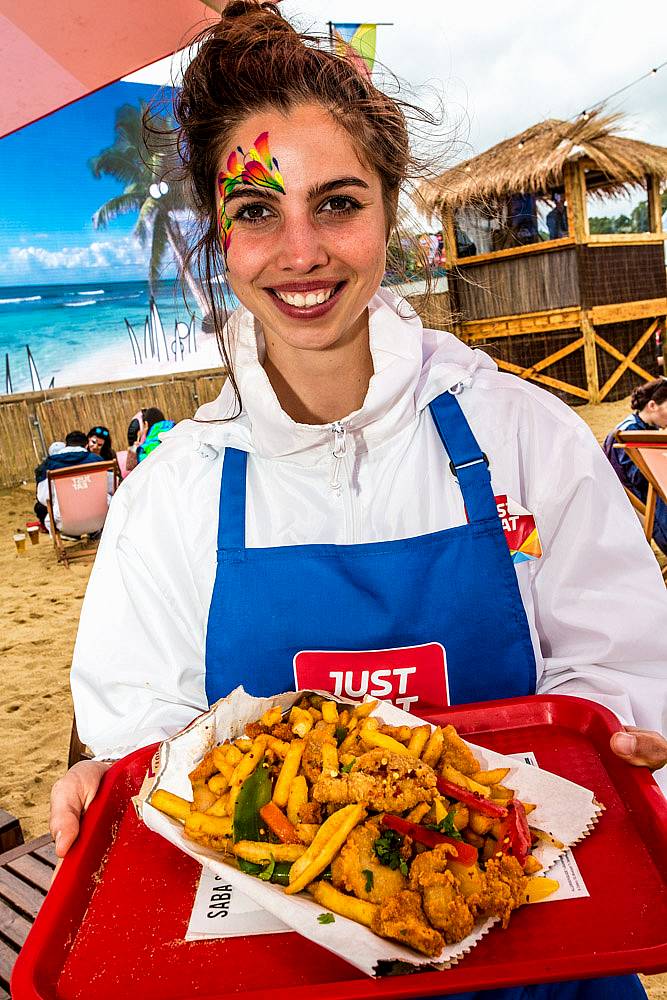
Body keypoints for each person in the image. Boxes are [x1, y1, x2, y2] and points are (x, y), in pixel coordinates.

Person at [51, 6, 666, 996]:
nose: (301, 251)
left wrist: (620, 741)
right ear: (219, 234)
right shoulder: (173, 492)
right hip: (279, 974)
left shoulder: (526, 438)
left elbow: (629, 679)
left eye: (336, 203)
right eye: (257, 213)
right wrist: (112, 786)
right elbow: (144, 749)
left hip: (545, 963)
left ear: (391, 211)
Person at [603, 377, 667, 553]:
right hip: (644, 504)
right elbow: (643, 479)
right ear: (652, 405)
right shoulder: (631, 432)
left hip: (649, 498)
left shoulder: (643, 429)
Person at [35, 431, 104, 533]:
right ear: (86, 446)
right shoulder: (97, 460)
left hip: (65, 523)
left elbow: (43, 497)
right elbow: (112, 488)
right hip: (99, 520)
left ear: (66, 445)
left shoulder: (49, 464)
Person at [125, 407, 175, 473]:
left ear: (146, 424)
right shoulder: (174, 431)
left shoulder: (145, 448)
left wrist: (135, 449)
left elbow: (130, 466)